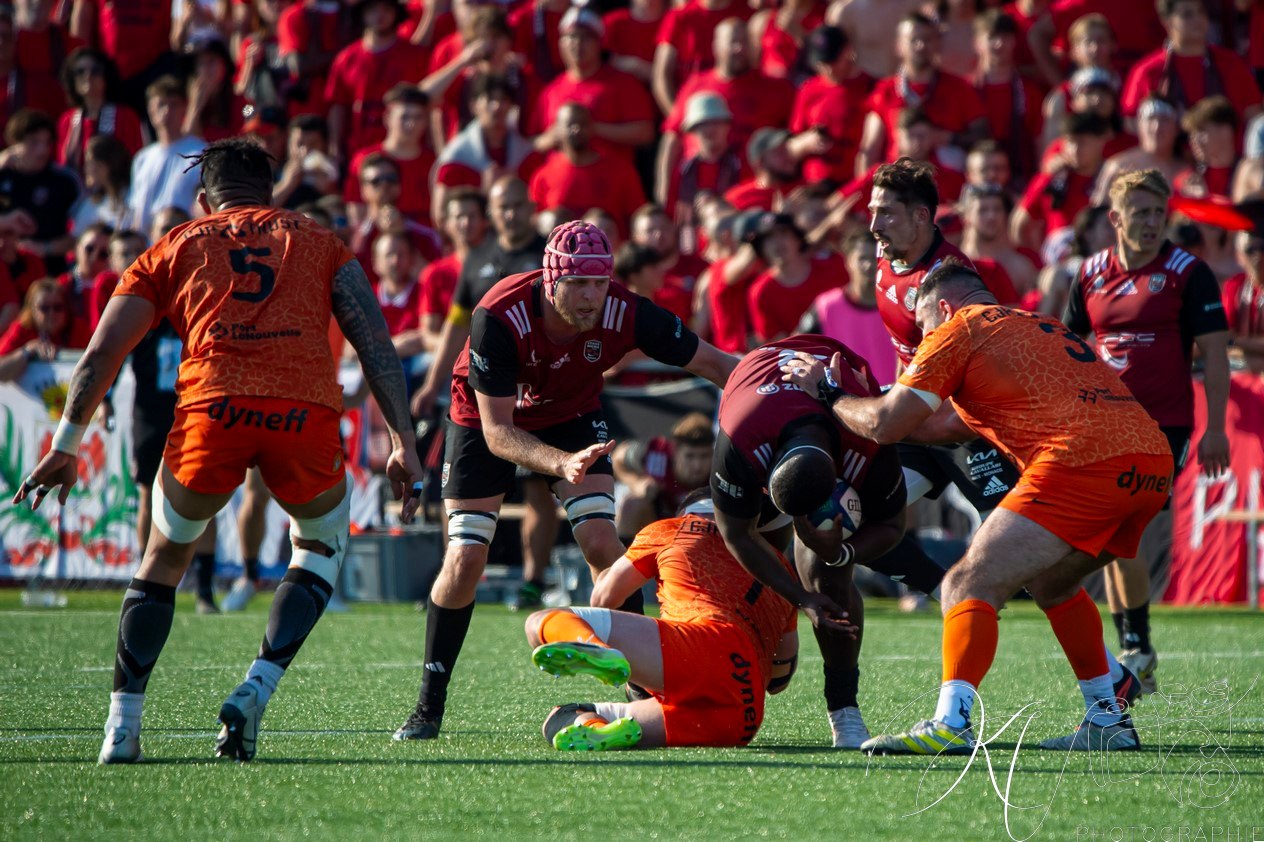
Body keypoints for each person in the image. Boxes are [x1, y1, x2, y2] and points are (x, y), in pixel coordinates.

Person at [14, 138, 424, 764]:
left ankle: (121, 728)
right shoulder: (319, 241)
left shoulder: (175, 244)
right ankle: (256, 687)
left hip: (214, 411)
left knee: (162, 559)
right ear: (269, 190)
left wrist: (66, 444)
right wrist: (403, 442)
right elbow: (377, 346)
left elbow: (100, 353)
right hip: (302, 413)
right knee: (319, 546)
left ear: (204, 199)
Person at [781, 259, 1167, 754]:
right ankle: (1109, 720)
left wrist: (830, 393)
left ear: (943, 308)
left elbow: (885, 426)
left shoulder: (958, 329)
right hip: (1150, 464)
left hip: (1083, 462)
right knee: (1053, 581)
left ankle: (952, 725)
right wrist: (861, 401)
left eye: (923, 326)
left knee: (965, 582)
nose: (923, 340)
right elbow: (938, 427)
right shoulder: (1035, 324)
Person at [391, 220, 737, 742]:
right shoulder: (499, 316)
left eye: (599, 283)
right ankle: (428, 704)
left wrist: (775, 385)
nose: (590, 296)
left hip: (570, 413)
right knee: (465, 558)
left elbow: (715, 363)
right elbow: (499, 432)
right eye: (577, 283)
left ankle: (644, 690)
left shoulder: (625, 310)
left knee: (603, 540)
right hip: (483, 419)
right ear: (551, 280)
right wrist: (560, 464)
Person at [1063, 168, 1230, 696]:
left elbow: (1218, 354)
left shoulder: (1188, 272)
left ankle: (1136, 647)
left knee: (1124, 531)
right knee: (1116, 537)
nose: (1153, 222)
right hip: (1103, 424)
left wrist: (1216, 429)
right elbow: (1065, 349)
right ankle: (1136, 650)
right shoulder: (1089, 273)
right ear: (1115, 218)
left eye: (1160, 212)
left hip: (1165, 427)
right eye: (1141, 212)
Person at [709, 333, 912, 747]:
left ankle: (844, 707)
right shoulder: (741, 436)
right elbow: (736, 534)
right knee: (726, 558)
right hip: (758, 390)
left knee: (826, 579)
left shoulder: (868, 437)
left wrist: (842, 553)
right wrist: (797, 600)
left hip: (836, 392)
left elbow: (893, 526)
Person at [524, 490, 798, 750]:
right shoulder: (783, 573)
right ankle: (596, 727)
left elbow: (603, 597)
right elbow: (779, 680)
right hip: (742, 714)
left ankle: (601, 650)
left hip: (697, 648)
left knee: (540, 621)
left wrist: (622, 551)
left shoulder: (671, 528)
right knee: (563, 714)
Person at [528, 102, 646, 237]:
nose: (576, 129)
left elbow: (637, 217)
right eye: (570, 125)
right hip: (562, 254)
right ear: (557, 130)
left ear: (591, 127)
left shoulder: (620, 171)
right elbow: (534, 222)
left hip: (609, 254)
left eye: (582, 124)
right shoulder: (543, 176)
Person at [0, 108, 82, 274]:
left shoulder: (65, 181)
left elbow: (84, 233)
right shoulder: (2, 173)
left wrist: (44, 248)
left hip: (50, 275)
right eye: (34, 142)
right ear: (14, 143)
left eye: (47, 142)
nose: (42, 150)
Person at [613, 412, 715, 539]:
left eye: (704, 456)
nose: (697, 465)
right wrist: (636, 483)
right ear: (675, 451)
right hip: (657, 525)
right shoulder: (657, 455)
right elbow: (618, 456)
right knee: (632, 504)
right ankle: (625, 556)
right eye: (690, 456)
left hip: (701, 532)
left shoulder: (720, 468)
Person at [127, 76, 206, 235]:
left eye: (174, 105)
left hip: (185, 242)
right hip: (148, 248)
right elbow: (137, 211)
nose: (167, 111)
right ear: (150, 110)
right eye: (161, 104)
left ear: (185, 108)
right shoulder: (142, 159)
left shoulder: (201, 152)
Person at [0, 279, 72, 381]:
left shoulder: (79, 328)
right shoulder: (22, 329)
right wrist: (28, 350)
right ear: (32, 310)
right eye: (44, 308)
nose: (51, 313)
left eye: (58, 307)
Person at [1222, 230, 1264, 375]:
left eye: (1263, 248)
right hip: (1244, 366)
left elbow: (1228, 339)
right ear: (1239, 256)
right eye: (1250, 250)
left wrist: (1234, 342)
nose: (1258, 256)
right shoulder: (1236, 285)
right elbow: (1224, 332)